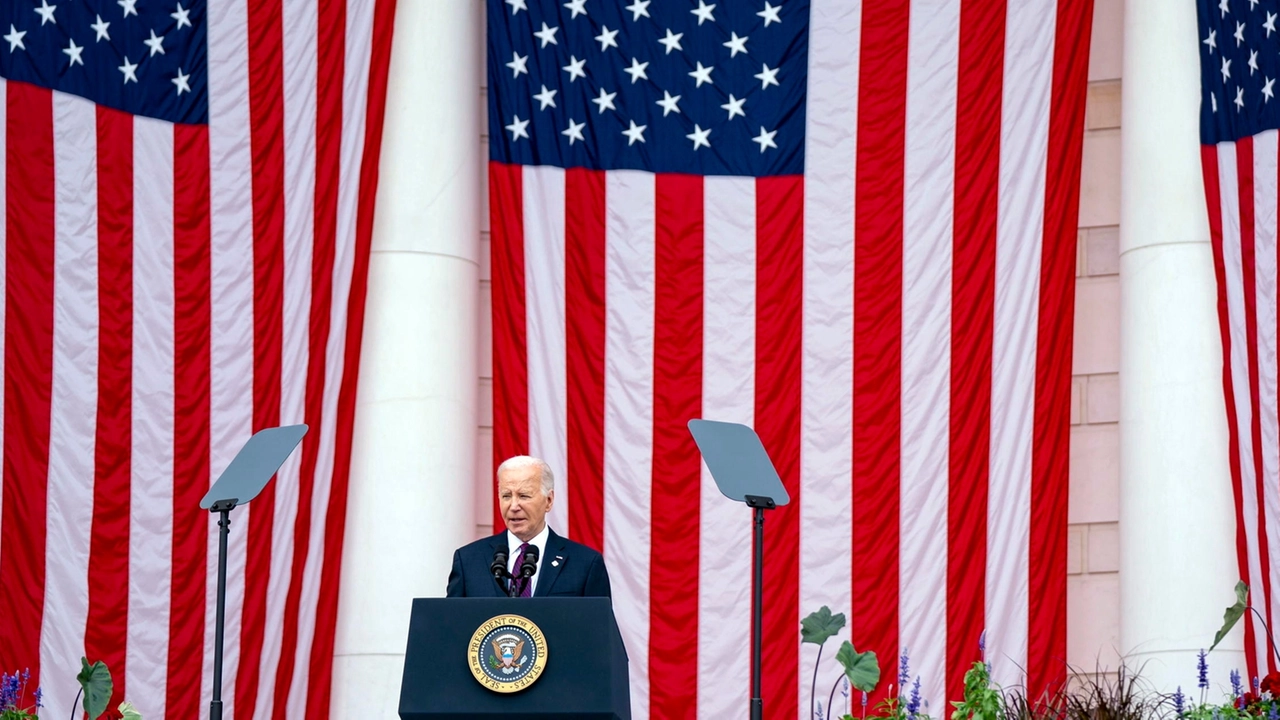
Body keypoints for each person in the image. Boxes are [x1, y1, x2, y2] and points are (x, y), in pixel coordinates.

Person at [446, 455, 611, 598]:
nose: (514, 506)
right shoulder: (468, 560)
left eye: (524, 496)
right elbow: (451, 626)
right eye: (506, 496)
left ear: (549, 500)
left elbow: (600, 630)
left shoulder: (585, 563)